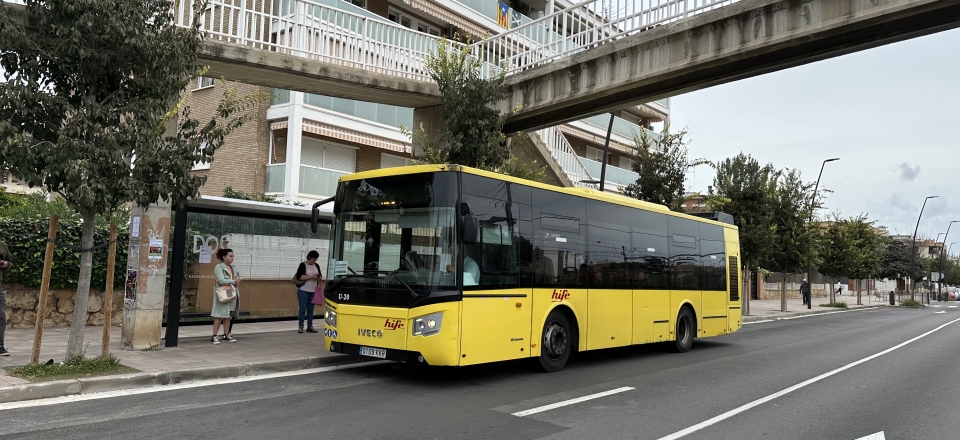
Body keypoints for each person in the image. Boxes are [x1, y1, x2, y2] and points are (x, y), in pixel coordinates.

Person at [211, 248, 240, 344]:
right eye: (230, 256)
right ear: (224, 257)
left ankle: (226, 334)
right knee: (219, 315)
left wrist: (239, 279)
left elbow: (239, 276)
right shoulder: (219, 267)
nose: (232, 258)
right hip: (223, 293)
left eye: (233, 256)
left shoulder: (233, 267)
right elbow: (221, 280)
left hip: (232, 293)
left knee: (228, 315)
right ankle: (214, 335)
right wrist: (233, 281)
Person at [294, 250, 322, 334]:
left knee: (310, 309)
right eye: (313, 259)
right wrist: (311, 276)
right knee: (302, 308)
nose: (314, 261)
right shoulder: (303, 265)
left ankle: (310, 326)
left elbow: (320, 277)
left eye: (315, 260)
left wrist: (317, 277)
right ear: (309, 257)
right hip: (303, 289)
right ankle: (301, 326)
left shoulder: (316, 265)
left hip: (313, 290)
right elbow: (300, 277)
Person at [0, 239, 12, 356]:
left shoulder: (2, 244)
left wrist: (6, 264)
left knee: (1, 315)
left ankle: (0, 346)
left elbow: (9, 261)